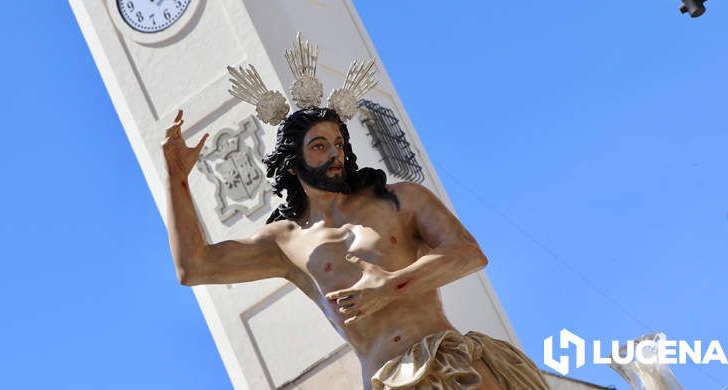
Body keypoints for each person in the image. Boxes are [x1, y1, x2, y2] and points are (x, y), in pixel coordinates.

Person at [163, 102, 550, 389]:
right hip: (386, 378)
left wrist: (391, 286)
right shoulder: (286, 241)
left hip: (447, 360)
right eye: (319, 145)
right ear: (293, 162)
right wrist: (177, 179)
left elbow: (467, 254)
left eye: (339, 143)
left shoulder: (399, 200)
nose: (335, 153)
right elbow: (194, 267)